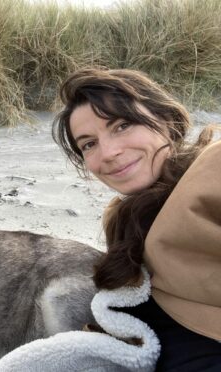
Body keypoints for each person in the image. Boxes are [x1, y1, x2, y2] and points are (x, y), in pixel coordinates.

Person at [53, 68, 221, 371]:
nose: (109, 152)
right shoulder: (125, 223)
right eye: (88, 144)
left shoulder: (212, 169)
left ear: (165, 119)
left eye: (123, 125)